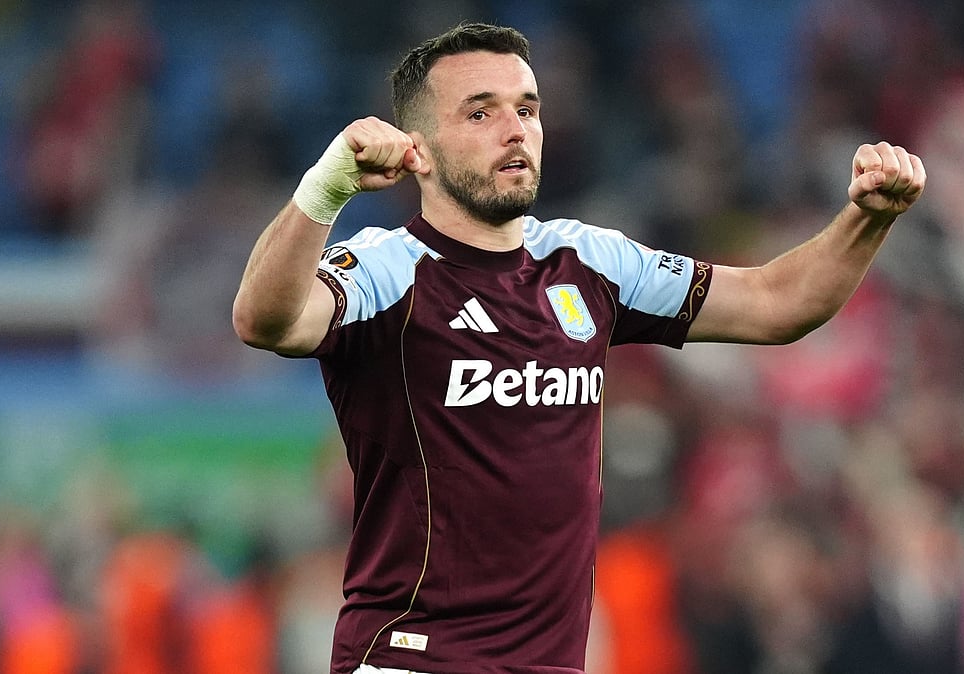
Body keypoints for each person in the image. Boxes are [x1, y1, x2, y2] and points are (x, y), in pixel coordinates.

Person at [232, 21, 925, 674]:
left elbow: (779, 303)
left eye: (526, 108)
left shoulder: (588, 262)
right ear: (418, 147)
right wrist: (327, 190)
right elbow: (266, 320)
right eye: (480, 112)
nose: (516, 130)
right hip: (414, 659)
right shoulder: (388, 267)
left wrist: (868, 217)